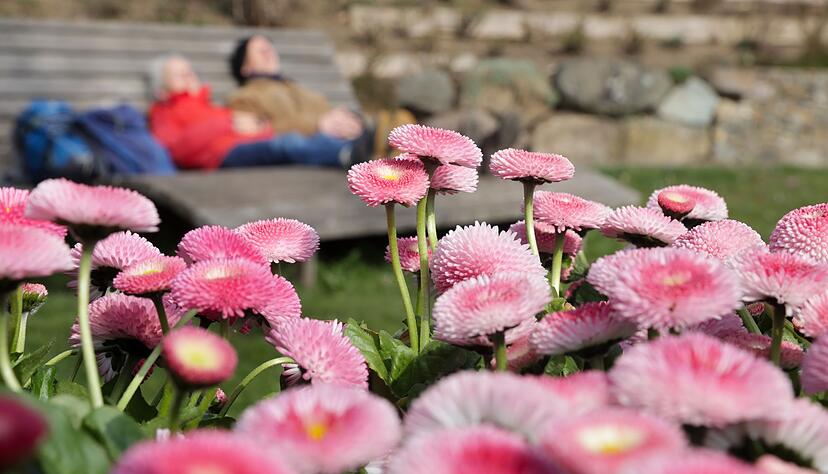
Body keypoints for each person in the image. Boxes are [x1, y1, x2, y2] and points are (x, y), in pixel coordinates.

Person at [147, 55, 369, 170]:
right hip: (223, 156)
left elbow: (252, 128)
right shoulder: (164, 112)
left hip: (247, 143)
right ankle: (352, 155)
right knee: (288, 144)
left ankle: (362, 149)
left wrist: (262, 128)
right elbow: (175, 150)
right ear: (162, 90)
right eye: (179, 74)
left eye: (189, 71)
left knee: (291, 142)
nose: (189, 76)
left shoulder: (209, 105)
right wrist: (228, 122)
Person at [227, 35, 367, 141]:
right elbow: (259, 132)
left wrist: (345, 121)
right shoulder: (243, 97)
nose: (268, 52)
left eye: (269, 48)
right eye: (261, 51)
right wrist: (318, 125)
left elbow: (326, 112)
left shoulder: (295, 87)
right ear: (245, 67)